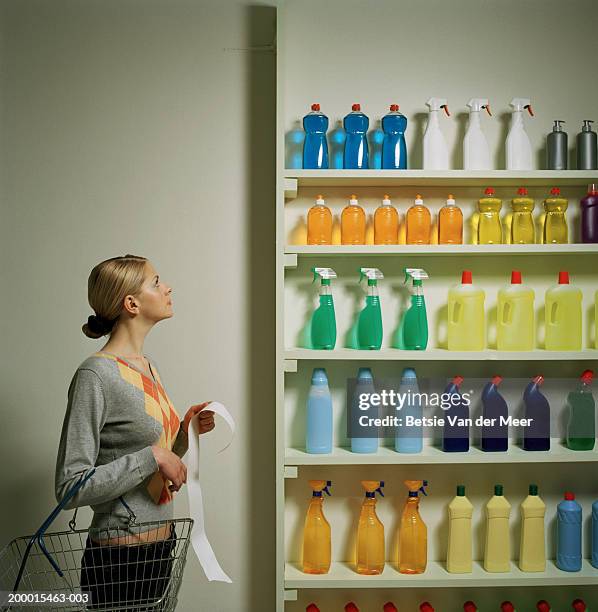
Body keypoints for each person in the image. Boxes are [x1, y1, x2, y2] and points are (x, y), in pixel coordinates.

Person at [55, 254, 215, 610]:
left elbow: (155, 459)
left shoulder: (148, 367)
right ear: (131, 303)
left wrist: (184, 433)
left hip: (162, 548)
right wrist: (153, 456)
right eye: (156, 282)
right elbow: (69, 487)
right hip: (118, 564)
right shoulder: (95, 376)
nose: (168, 287)